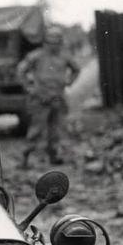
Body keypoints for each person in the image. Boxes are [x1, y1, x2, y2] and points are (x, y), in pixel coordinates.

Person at [17, 24, 80, 167]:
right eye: (51, 41)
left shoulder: (65, 56)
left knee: (55, 130)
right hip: (40, 98)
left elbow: (76, 69)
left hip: (57, 97)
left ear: (60, 42)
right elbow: (21, 70)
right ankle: (25, 158)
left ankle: (53, 156)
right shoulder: (36, 55)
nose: (53, 45)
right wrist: (29, 87)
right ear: (45, 42)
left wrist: (69, 82)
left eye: (56, 42)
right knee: (36, 130)